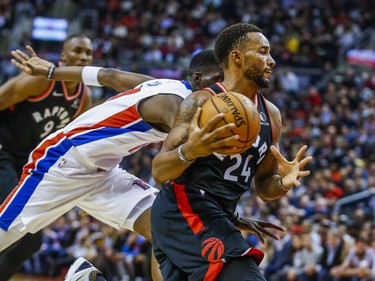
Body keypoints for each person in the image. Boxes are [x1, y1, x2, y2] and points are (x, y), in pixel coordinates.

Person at [5, 46, 284, 281]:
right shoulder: (177, 103)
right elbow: (179, 168)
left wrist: (53, 71)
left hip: (104, 173)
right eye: (217, 80)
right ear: (198, 78)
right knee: (5, 231)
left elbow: (108, 75)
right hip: (64, 160)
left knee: (164, 225)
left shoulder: (167, 85)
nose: (224, 89)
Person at [150, 23, 313, 281]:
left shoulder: (272, 115)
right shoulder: (201, 102)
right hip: (184, 209)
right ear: (237, 57)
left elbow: (263, 187)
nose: (271, 61)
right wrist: (192, 149)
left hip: (220, 214)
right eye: (263, 52)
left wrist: (283, 182)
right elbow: (159, 171)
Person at [0, 34, 96, 280]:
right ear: (63, 56)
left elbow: (72, 143)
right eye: (78, 50)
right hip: (4, 153)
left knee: (31, 241)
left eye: (88, 53)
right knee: (15, 225)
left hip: (27, 164)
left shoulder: (84, 97)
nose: (84, 56)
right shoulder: (41, 81)